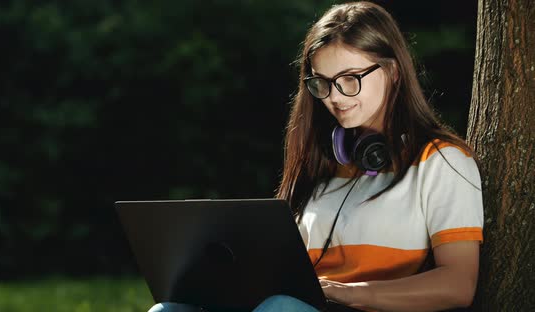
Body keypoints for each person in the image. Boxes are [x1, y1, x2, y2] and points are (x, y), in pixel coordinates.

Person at [149, 1, 483, 311]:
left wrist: (349, 291)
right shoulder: (325, 161)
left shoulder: (443, 161)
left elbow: (458, 284)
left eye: (349, 79)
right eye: (322, 83)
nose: (335, 98)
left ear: (393, 72)